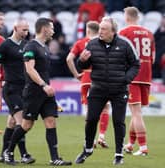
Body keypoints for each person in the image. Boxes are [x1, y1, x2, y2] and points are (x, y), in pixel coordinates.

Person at [3, 18, 72, 166]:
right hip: (34, 91)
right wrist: (43, 85)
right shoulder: (31, 47)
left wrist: (47, 87)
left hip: (46, 92)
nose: (53, 31)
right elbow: (30, 69)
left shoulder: (45, 47)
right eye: (52, 28)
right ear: (45, 29)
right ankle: (8, 152)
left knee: (51, 122)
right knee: (26, 125)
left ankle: (55, 158)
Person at [75, 16, 140, 165]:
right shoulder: (91, 44)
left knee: (118, 122)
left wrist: (126, 79)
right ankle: (88, 149)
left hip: (119, 90)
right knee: (91, 120)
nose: (100, 32)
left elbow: (136, 64)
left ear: (113, 31)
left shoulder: (125, 44)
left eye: (104, 29)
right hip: (98, 88)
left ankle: (118, 154)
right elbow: (82, 66)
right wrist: (82, 60)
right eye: (99, 29)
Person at [0, 17, 35, 164]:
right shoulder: (5, 45)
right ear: (15, 28)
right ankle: (22, 154)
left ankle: (2, 155)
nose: (26, 32)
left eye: (27, 29)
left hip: (24, 88)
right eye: (23, 30)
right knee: (22, 123)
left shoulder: (27, 44)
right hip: (11, 88)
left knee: (12, 124)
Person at [67, 21, 109, 148]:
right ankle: (101, 136)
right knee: (105, 108)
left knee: (89, 110)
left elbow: (69, 59)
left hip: (85, 78)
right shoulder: (104, 43)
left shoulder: (81, 43)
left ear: (88, 30)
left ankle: (90, 140)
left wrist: (76, 74)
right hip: (101, 78)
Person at [119, 6, 155, 156]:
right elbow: (152, 58)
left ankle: (143, 147)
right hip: (146, 76)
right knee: (137, 112)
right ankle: (130, 144)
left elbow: (119, 57)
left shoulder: (124, 33)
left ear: (127, 17)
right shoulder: (149, 33)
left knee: (136, 112)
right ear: (138, 17)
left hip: (132, 76)